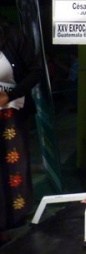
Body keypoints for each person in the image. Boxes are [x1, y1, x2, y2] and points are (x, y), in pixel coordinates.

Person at [0, 15, 42, 246]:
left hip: (9, 117)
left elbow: (36, 71)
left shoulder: (14, 36)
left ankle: (6, 224)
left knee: (10, 171)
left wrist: (10, 95)